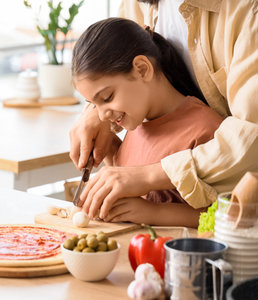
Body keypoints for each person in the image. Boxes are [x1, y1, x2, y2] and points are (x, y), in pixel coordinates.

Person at [69, 0, 258, 224]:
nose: (101, 113)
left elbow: (227, 216)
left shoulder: (203, 130)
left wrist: (152, 199)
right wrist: (101, 125)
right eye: (92, 102)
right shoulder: (138, 125)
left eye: (107, 97)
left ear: (143, 69)